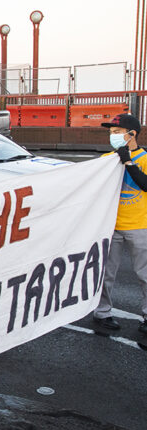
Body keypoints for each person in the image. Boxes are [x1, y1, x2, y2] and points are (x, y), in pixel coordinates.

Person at [93, 113, 147, 333]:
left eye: (116, 132)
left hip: (140, 225)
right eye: (110, 133)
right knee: (106, 273)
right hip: (111, 226)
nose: (112, 136)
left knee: (144, 274)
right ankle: (102, 312)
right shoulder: (107, 158)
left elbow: (145, 184)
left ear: (131, 134)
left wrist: (127, 161)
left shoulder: (144, 158)